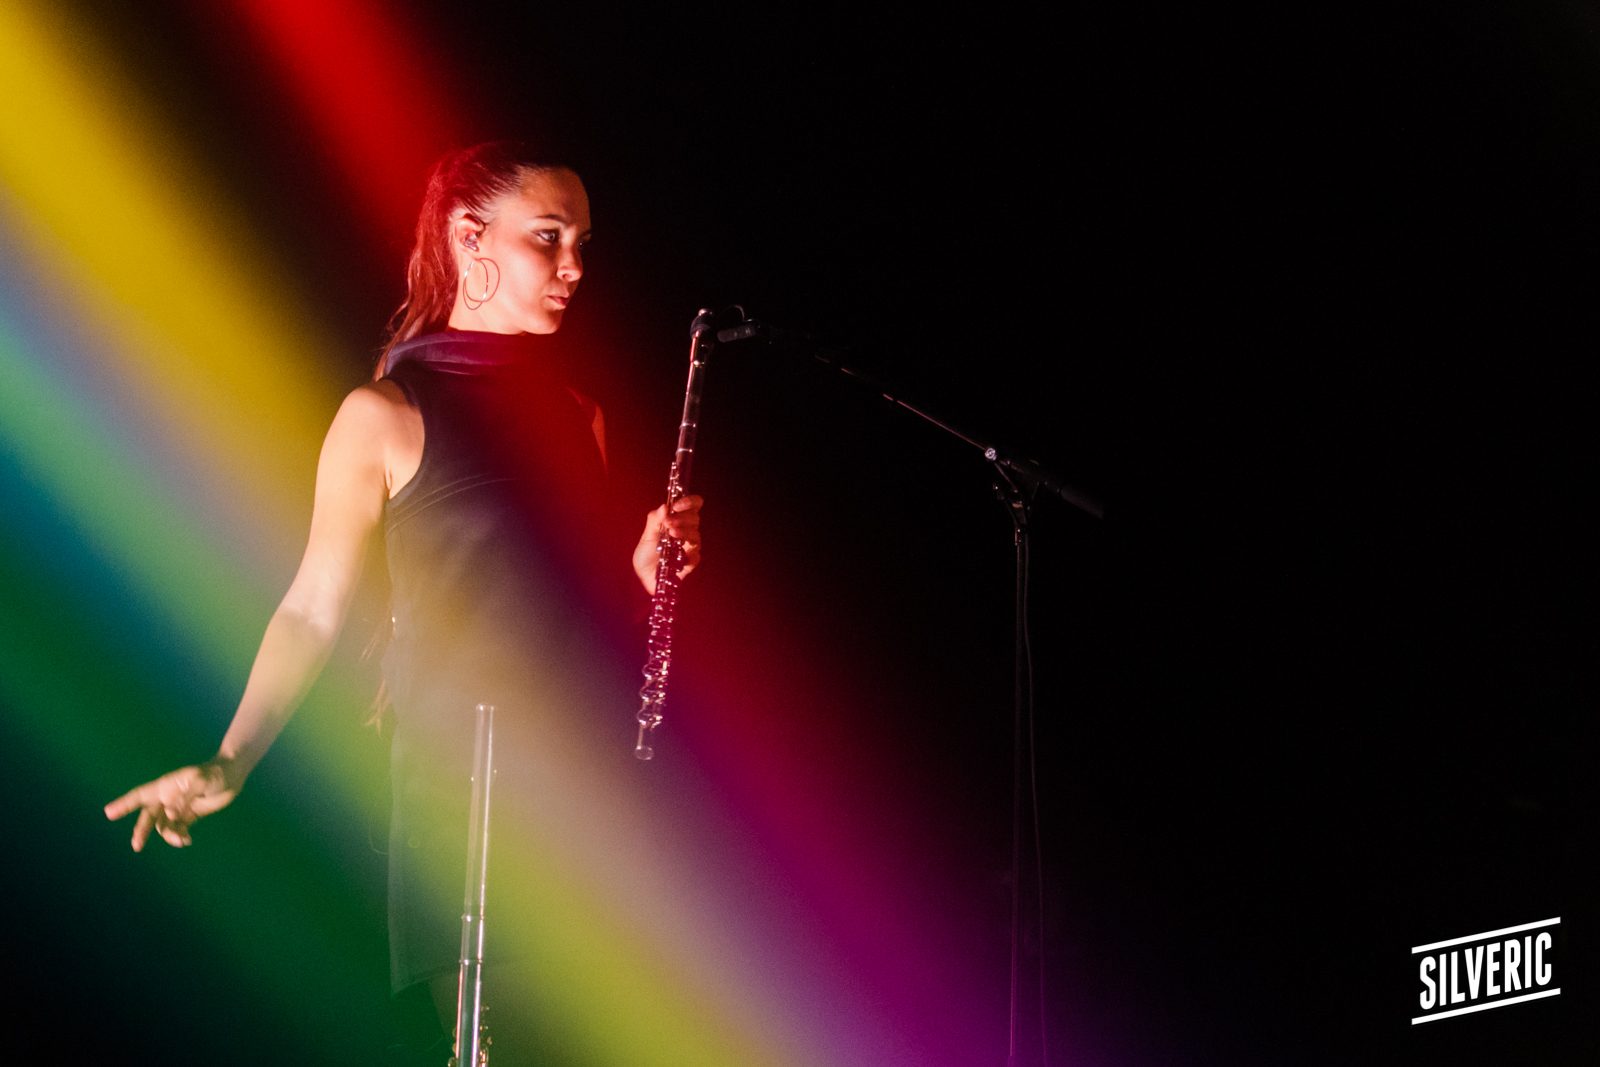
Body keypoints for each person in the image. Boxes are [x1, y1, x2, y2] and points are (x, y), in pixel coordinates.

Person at [103, 141, 703, 1063]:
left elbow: (573, 626)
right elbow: (314, 604)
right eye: (549, 237)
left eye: (582, 243)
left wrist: (641, 574)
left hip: (582, 802)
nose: (576, 266)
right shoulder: (385, 414)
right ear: (470, 238)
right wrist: (230, 760)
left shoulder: (581, 416)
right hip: (458, 800)